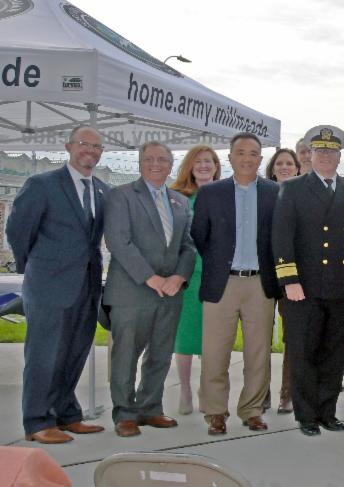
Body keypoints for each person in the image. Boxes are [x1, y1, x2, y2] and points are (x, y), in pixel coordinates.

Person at [8, 125, 109, 444]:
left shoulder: (102, 190)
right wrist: (35, 267)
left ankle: (67, 415)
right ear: (68, 147)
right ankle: (37, 421)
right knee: (44, 355)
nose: (90, 150)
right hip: (48, 286)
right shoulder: (42, 185)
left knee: (74, 353)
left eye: (97, 147)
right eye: (83, 143)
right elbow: (17, 231)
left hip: (87, 287)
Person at [273, 125, 344, 436]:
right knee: (304, 353)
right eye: (320, 150)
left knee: (334, 352)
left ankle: (327, 412)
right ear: (310, 155)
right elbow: (281, 237)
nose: (326, 155)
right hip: (304, 287)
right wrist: (289, 280)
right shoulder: (293, 188)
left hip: (341, 287)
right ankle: (306, 415)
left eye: (332, 151)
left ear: (340, 157)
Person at [103, 141, 197, 437]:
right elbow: (118, 241)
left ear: (171, 165)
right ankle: (124, 414)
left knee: (161, 353)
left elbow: (188, 245)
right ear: (140, 163)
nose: (156, 164)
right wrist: (151, 278)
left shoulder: (180, 202)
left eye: (162, 160)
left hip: (170, 293)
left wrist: (179, 277)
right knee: (126, 355)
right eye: (149, 159)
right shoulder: (121, 196)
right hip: (132, 291)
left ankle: (150, 407)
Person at [191, 132, 281, 436]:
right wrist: (219, 263)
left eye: (253, 153)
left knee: (258, 353)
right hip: (222, 283)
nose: (246, 158)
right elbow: (199, 236)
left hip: (260, 284)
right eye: (240, 152)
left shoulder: (274, 192)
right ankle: (215, 412)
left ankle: (252, 410)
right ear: (229, 158)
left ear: (260, 159)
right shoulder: (210, 193)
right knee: (215, 353)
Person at [170, 145, 221, 416]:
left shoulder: (225, 195)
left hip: (216, 276)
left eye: (208, 161)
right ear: (190, 166)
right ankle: (185, 390)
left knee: (212, 338)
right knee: (185, 337)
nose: (203, 166)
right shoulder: (177, 197)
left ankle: (206, 389)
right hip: (187, 277)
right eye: (198, 161)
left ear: (216, 166)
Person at [264, 148, 300, 415]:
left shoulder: (303, 196)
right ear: (272, 169)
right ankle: (260, 394)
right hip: (264, 274)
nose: (285, 167)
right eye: (280, 163)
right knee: (260, 338)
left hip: (293, 277)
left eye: (289, 163)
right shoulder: (262, 195)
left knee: (293, 337)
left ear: (298, 168)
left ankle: (287, 394)